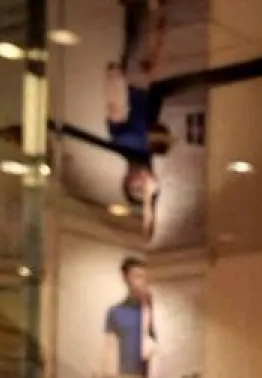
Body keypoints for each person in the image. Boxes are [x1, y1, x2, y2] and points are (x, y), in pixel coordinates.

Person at [106, 0, 171, 241]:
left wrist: (115, 80)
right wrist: (147, 202)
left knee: (135, 35)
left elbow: (113, 106)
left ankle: (138, 6)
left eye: (134, 187)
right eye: (142, 189)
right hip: (148, 84)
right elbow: (149, 226)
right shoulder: (149, 152)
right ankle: (154, 8)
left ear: (125, 180)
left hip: (132, 82)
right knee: (151, 34)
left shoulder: (120, 143)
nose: (140, 183)